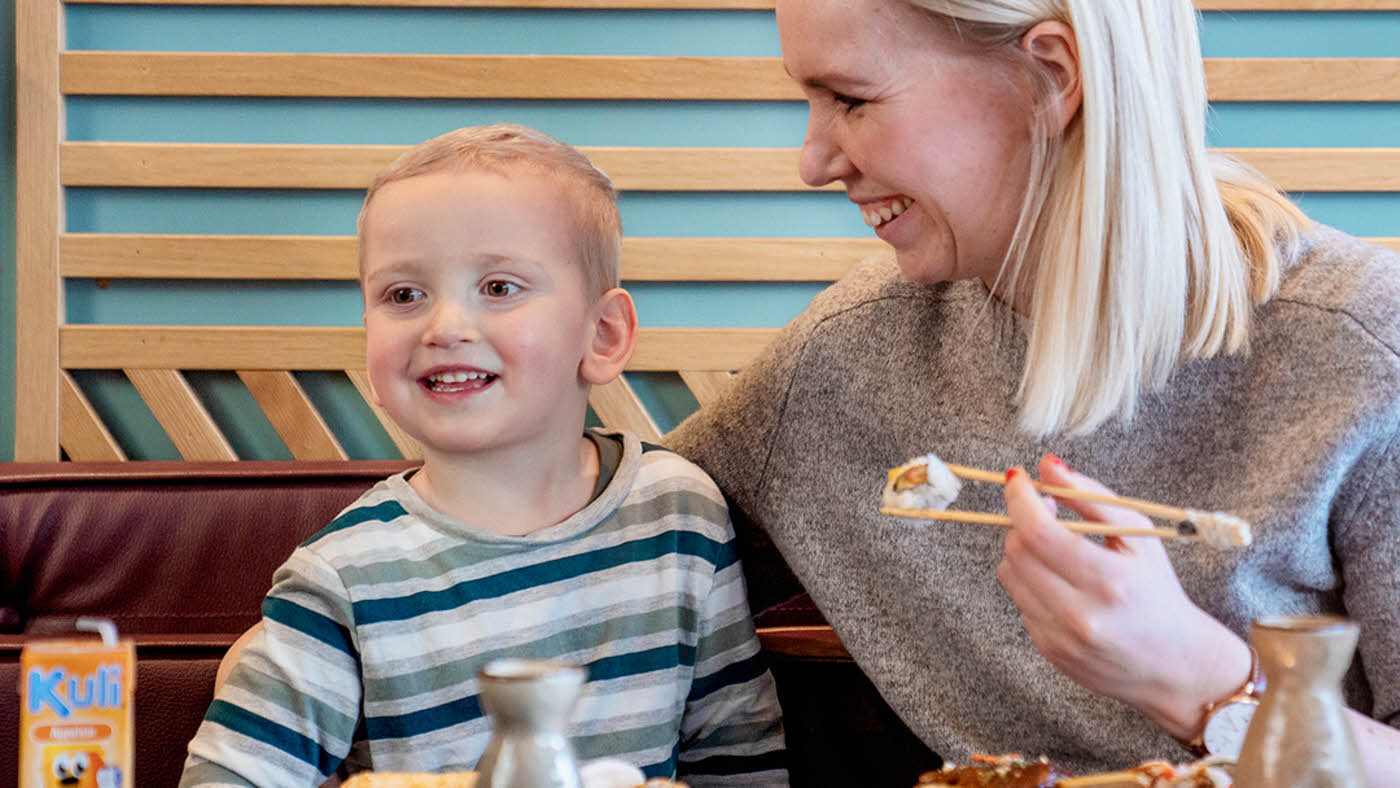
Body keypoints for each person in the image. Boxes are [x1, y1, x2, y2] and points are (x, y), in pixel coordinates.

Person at [667, 0, 1400, 780]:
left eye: (852, 99)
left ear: (1051, 77)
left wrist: (1199, 680)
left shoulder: (1363, 350)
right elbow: (627, 537)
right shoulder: (846, 357)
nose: (813, 161)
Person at [180, 124, 787, 787]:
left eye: (499, 287)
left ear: (604, 335)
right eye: (403, 296)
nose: (445, 328)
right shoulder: (345, 578)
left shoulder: (681, 513)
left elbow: (741, 761)